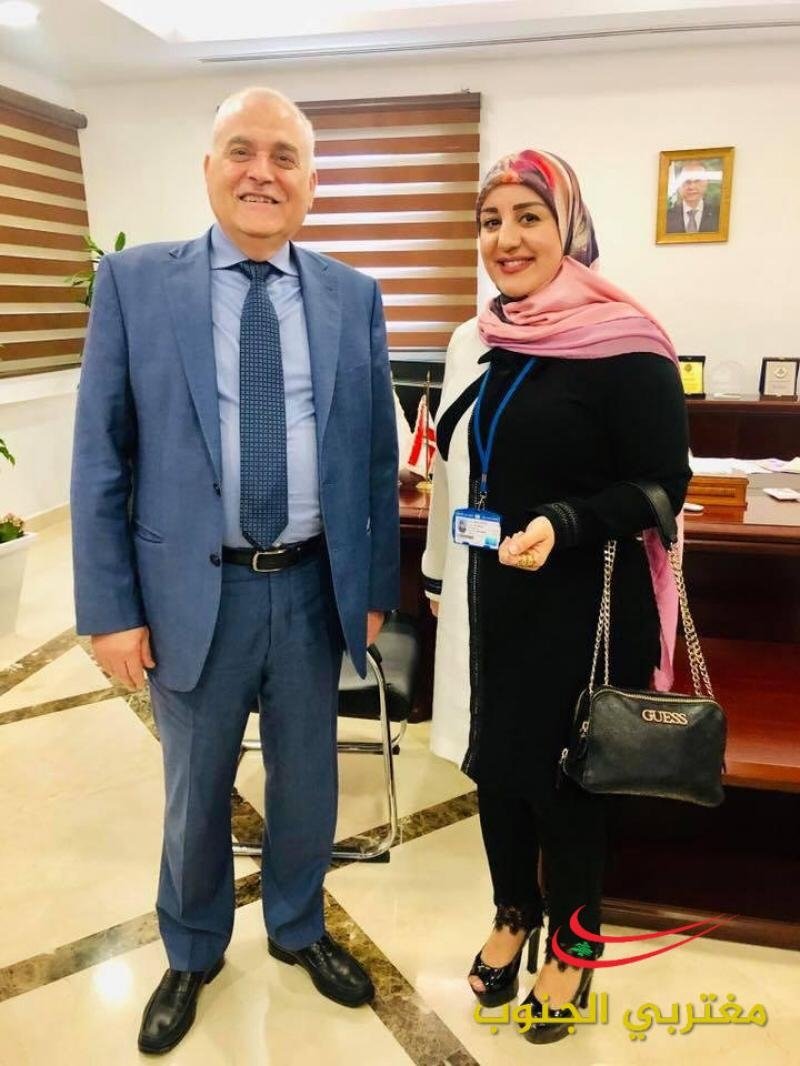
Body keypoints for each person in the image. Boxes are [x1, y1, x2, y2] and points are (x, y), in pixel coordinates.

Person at [70, 86, 399, 1055]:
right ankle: (192, 948)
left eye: (284, 156)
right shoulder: (134, 284)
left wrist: (373, 589)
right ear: (209, 168)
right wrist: (109, 610)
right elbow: (100, 456)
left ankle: (297, 926)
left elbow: (374, 461)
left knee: (307, 782)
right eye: (242, 151)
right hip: (189, 593)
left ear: (311, 181)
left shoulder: (352, 295)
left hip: (311, 587)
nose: (263, 172)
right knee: (196, 789)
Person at [421, 149, 691, 1045]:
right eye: (490, 219)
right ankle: (513, 912)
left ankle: (575, 944)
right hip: (493, 598)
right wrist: (442, 575)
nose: (506, 237)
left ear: (569, 228)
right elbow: (461, 471)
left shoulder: (626, 344)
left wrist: (565, 523)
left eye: (528, 216)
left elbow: (664, 487)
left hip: (587, 602)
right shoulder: (481, 339)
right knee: (497, 768)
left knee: (567, 781)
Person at [665, 158, 720, 233]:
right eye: (687, 181)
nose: (692, 187)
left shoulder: (719, 215)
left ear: (706, 183)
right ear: (678, 185)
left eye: (697, 181)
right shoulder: (666, 217)